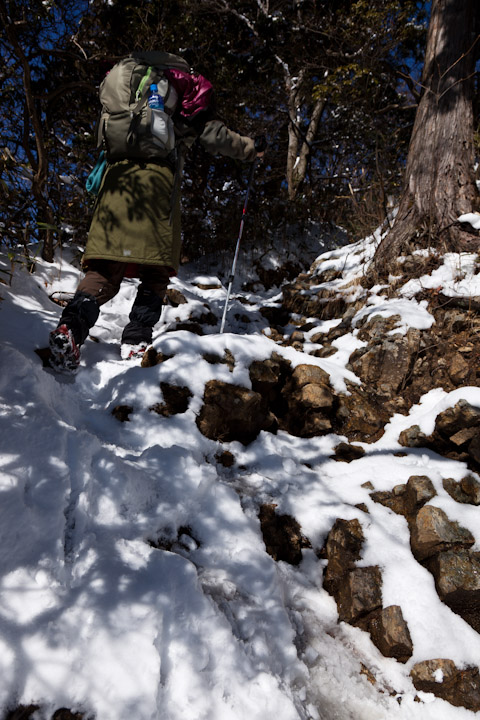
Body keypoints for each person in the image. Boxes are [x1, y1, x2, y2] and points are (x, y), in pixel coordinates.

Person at [49, 53, 266, 372]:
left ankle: (71, 329)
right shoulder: (185, 95)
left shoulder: (123, 92)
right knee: (155, 271)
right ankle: (136, 339)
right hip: (156, 188)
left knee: (103, 270)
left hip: (115, 183)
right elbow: (214, 137)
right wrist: (251, 149)